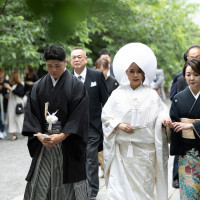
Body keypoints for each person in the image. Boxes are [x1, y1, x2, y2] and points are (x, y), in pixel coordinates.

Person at [101, 43, 171, 200]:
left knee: (143, 191)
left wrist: (164, 120)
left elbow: (162, 113)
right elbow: (105, 115)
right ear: (125, 72)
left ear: (144, 74)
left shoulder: (152, 95)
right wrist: (118, 124)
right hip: (122, 152)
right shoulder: (116, 94)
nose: (135, 75)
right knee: (118, 191)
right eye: (131, 71)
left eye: (139, 71)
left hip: (145, 153)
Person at [22, 44, 90, 200]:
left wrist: (63, 135)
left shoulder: (76, 86)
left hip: (67, 143)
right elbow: (31, 114)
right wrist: (39, 135)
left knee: (69, 187)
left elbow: (79, 116)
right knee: (41, 182)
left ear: (65, 62)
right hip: (44, 143)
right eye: (49, 66)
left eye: (57, 66)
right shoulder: (38, 86)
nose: (53, 70)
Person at [70, 48, 109, 200]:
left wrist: (106, 125)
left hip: (93, 126)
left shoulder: (97, 76)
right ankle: (77, 189)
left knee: (91, 158)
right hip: (73, 128)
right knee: (76, 158)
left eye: (79, 57)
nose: (77, 60)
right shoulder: (67, 78)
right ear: (70, 61)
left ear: (86, 59)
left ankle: (92, 192)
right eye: (74, 57)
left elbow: (105, 102)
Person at [169, 58, 200, 199]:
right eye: (188, 75)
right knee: (190, 193)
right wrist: (169, 125)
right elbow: (174, 120)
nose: (191, 78)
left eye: (196, 74)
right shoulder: (178, 98)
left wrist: (193, 125)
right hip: (187, 154)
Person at [95, 58, 119, 178]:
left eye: (102, 70)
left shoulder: (113, 82)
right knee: (99, 143)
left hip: (110, 116)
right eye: (98, 70)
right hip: (97, 115)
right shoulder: (95, 81)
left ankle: (108, 166)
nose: (100, 72)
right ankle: (102, 166)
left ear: (107, 69)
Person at [4, 72, 24, 141]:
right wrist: (7, 95)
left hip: (17, 104)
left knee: (19, 118)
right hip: (11, 103)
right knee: (11, 118)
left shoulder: (20, 85)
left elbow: (20, 93)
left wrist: (10, 88)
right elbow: (11, 93)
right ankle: (14, 135)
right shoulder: (12, 85)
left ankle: (22, 132)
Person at [0, 68, 9, 139]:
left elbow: (8, 92)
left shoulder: (6, 82)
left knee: (3, 117)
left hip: (4, 103)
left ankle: (2, 131)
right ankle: (2, 131)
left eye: (1, 74)